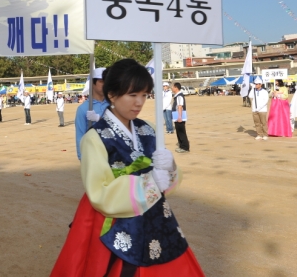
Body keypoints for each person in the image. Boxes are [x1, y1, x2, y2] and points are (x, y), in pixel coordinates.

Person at [51, 59, 205, 276]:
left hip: (155, 214)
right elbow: (99, 192)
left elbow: (167, 179)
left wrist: (169, 167)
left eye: (144, 95)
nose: (139, 102)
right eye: (132, 95)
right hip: (113, 217)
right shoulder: (94, 139)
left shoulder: (150, 129)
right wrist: (150, 183)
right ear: (112, 94)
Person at [74, 68, 109, 160]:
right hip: (94, 155)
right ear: (92, 84)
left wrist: (99, 119)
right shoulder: (83, 109)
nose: (105, 84)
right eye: (101, 81)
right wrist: (82, 158)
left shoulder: (113, 104)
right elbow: (80, 136)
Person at [171, 83, 190, 153]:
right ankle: (181, 146)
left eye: (172, 87)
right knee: (178, 132)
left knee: (181, 132)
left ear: (176, 88)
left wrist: (179, 117)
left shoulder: (179, 96)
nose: (172, 88)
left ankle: (185, 147)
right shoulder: (177, 96)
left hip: (179, 117)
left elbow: (180, 107)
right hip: (176, 117)